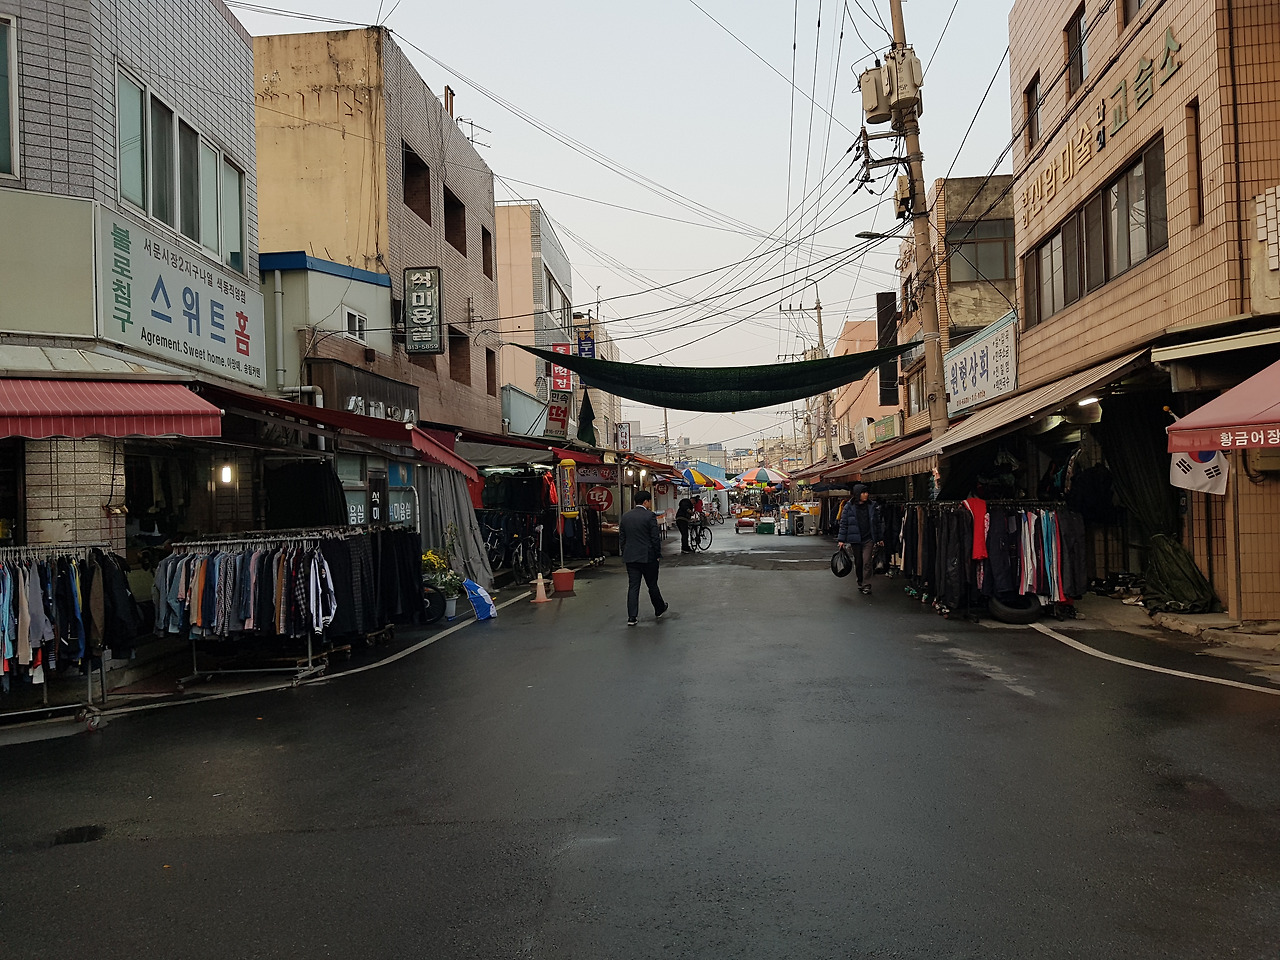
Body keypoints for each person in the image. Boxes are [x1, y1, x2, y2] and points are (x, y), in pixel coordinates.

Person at [619, 490, 669, 625]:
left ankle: (632, 617)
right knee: (652, 584)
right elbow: (655, 538)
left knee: (633, 586)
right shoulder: (649, 516)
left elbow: (622, 537)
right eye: (649, 501)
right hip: (648, 556)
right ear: (646, 501)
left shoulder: (626, 516)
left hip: (631, 557)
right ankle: (659, 608)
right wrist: (657, 554)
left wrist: (625, 551)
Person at [838, 483, 884, 595]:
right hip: (855, 539)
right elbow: (844, 523)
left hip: (868, 538)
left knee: (867, 561)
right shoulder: (849, 506)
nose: (866, 495)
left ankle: (866, 584)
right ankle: (860, 581)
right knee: (859, 562)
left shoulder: (872, 506)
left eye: (867, 492)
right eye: (863, 493)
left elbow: (877, 523)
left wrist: (879, 538)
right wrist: (841, 540)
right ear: (858, 494)